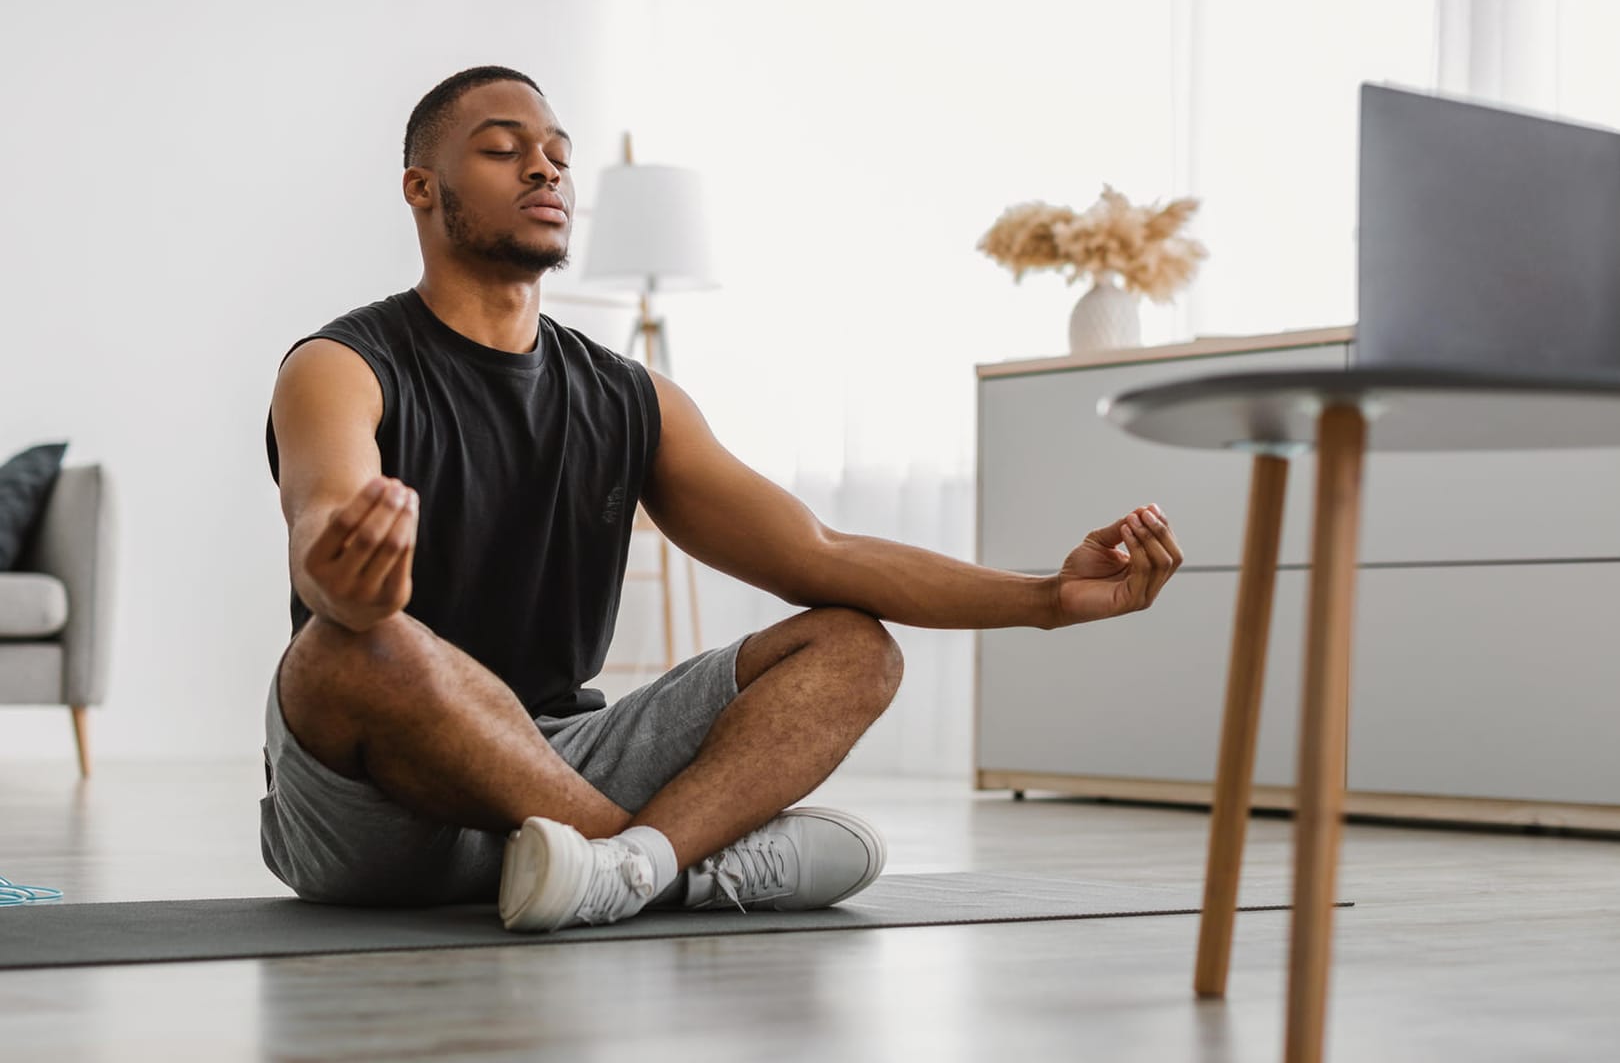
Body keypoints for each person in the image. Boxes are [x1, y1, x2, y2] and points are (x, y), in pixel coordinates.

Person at [259, 65, 1185, 933]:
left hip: (560, 757)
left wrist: (1049, 600)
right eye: (504, 149)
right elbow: (325, 523)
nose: (544, 167)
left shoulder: (631, 395)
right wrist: (353, 587)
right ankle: (665, 865)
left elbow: (821, 555)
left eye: (558, 154)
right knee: (345, 650)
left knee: (853, 644)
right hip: (378, 814)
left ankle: (611, 868)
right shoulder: (341, 365)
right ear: (422, 188)